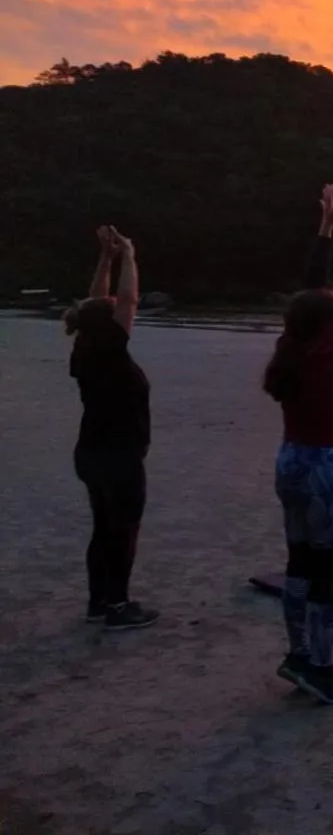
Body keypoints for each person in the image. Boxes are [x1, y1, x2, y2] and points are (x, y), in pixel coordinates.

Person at [262, 182, 333, 705]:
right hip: (326, 468)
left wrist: (324, 229)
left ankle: (299, 654)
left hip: (291, 461)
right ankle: (320, 667)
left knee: (301, 561)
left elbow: (313, 294)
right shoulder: (327, 349)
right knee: (331, 570)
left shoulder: (294, 342)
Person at [64, 225, 159, 631]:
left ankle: (98, 602)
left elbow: (97, 302)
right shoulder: (108, 348)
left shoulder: (85, 345)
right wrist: (130, 256)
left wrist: (106, 258)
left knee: (104, 528)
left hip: (92, 452)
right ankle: (118, 606)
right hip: (118, 455)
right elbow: (128, 299)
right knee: (122, 530)